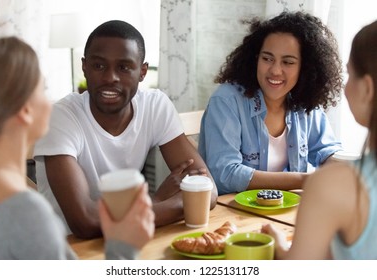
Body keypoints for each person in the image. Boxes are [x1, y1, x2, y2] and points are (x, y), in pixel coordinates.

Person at [34, 20, 218, 239]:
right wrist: (172, 203)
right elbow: (86, 222)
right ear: (85, 67)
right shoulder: (61, 116)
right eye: (99, 66)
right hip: (65, 247)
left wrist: (156, 206)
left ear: (142, 72)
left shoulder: (154, 106)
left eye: (123, 67)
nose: (110, 77)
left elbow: (208, 191)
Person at [0, 36, 154, 259]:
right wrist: (123, 245)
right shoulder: (25, 214)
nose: (49, 102)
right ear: (25, 110)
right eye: (43, 89)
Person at [262, 19, 377, 259]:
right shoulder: (229, 100)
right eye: (267, 58)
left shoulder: (332, 186)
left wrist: (281, 248)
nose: (344, 88)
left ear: (367, 89)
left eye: (349, 74)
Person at [198, 12, 343, 195]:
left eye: (288, 62)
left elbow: (326, 150)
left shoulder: (303, 103)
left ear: (305, 68)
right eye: (267, 59)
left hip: (283, 213)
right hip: (231, 214)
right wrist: (304, 180)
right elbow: (225, 174)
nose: (275, 70)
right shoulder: (227, 100)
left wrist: (348, 169)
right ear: (255, 59)